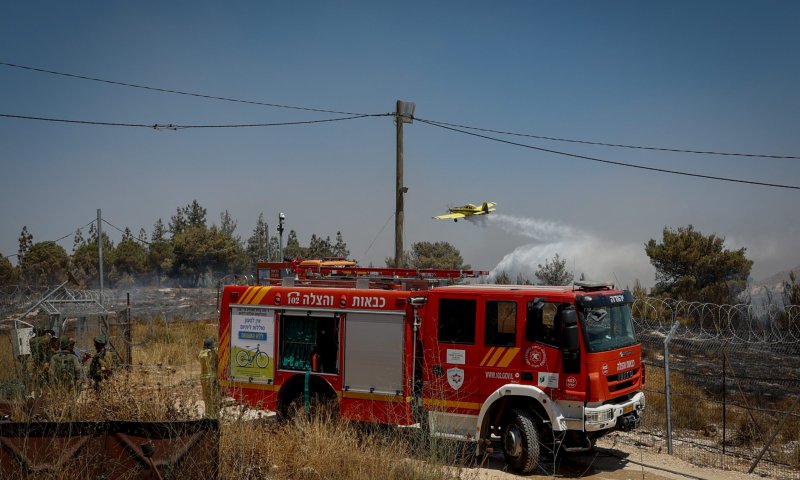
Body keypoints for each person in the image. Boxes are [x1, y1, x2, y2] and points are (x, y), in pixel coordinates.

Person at [198, 338, 220, 418]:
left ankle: (208, 416)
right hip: (211, 378)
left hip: (203, 379)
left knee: (207, 399)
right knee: (214, 399)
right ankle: (214, 417)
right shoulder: (211, 352)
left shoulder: (201, 353)